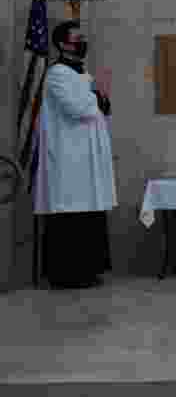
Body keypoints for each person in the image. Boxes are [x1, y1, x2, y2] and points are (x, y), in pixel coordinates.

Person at [33, 20, 115, 289]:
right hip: (69, 161)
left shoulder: (84, 75)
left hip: (87, 160)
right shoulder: (57, 74)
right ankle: (66, 274)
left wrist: (98, 97)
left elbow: (102, 106)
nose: (82, 42)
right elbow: (78, 108)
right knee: (70, 216)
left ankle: (89, 270)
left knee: (89, 215)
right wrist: (98, 97)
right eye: (77, 38)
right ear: (62, 44)